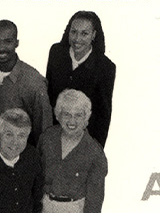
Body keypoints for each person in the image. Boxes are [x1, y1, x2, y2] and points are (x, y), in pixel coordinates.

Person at [0, 19, 52, 155]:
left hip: (18, 151)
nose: (1, 48)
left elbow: (43, 129)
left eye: (8, 41)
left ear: (16, 43)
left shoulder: (33, 81)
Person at [46, 11, 116, 147]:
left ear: (94, 35)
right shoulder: (56, 52)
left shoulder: (105, 67)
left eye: (84, 33)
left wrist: (96, 149)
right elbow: (48, 96)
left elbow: (103, 114)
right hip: (54, 134)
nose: (77, 39)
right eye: (73, 32)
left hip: (83, 139)